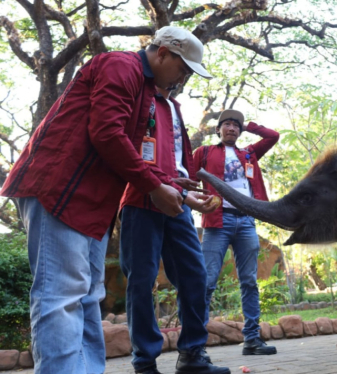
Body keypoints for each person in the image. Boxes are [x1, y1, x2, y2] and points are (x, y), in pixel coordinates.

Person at [0, 25, 211, 374]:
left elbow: (133, 155)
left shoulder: (145, 90)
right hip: (60, 188)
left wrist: (179, 191)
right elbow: (106, 133)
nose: (183, 77)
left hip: (94, 202)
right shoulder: (120, 66)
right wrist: (154, 188)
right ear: (163, 53)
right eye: (183, 68)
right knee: (62, 295)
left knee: (87, 298)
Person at [119, 80, 230, 374]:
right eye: (181, 66)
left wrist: (189, 194)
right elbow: (125, 149)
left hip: (178, 204)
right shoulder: (137, 97)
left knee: (195, 276)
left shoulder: (175, 107)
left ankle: (193, 355)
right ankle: (145, 363)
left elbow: (175, 164)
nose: (183, 76)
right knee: (141, 281)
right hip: (140, 199)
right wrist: (169, 188)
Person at [192, 109, 279, 355]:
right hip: (217, 222)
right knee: (207, 281)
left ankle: (252, 340)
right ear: (218, 129)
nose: (231, 128)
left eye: (235, 126)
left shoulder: (249, 153)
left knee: (249, 281)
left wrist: (249, 125)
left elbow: (273, 136)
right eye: (227, 124)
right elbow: (186, 177)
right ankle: (195, 346)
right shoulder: (205, 152)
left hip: (246, 222)